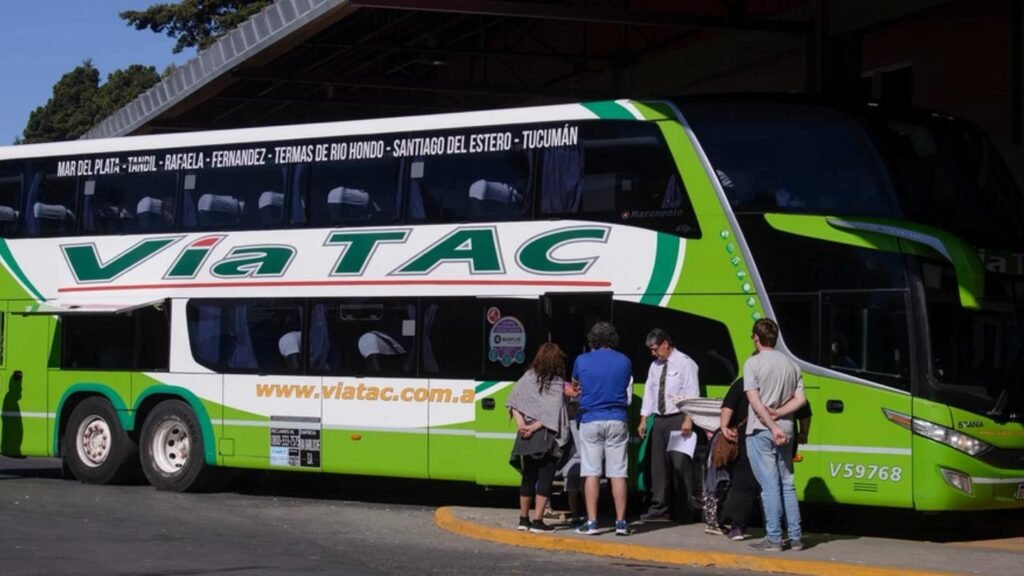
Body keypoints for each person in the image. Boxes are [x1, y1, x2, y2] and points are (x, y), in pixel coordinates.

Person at [743, 318, 807, 552]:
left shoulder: (753, 363)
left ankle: (773, 537)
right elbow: (801, 400)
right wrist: (780, 415)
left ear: (756, 338)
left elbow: (754, 400)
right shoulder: (792, 365)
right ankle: (796, 537)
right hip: (787, 428)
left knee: (769, 486)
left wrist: (772, 425)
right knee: (787, 484)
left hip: (762, 430)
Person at [571, 321, 633, 536]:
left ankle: (592, 522)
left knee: (591, 472)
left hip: (591, 418)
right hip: (617, 418)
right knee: (618, 472)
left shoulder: (582, 360)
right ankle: (621, 522)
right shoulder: (625, 361)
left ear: (593, 340)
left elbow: (576, 387)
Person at [506, 342, 572, 533]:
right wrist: (534, 427)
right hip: (545, 436)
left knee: (527, 476)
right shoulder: (557, 382)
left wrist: (522, 427)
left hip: (525, 437)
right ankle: (538, 521)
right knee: (545, 478)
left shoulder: (527, 377)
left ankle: (523, 519)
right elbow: (553, 413)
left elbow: (513, 403)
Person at [638, 328, 700, 522]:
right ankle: (659, 507)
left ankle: (684, 509)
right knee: (658, 466)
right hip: (659, 419)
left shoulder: (685, 363)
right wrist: (643, 419)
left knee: (680, 465)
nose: (653, 353)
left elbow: (692, 392)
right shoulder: (655, 366)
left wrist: (688, 419)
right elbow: (650, 393)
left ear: (666, 343)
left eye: (655, 348)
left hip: (678, 418)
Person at [717, 378, 760, 541]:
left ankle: (737, 528)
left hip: (747, 438)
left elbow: (728, 405)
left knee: (744, 484)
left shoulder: (744, 382)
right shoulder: (785, 379)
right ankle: (777, 531)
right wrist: (803, 434)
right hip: (778, 438)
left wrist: (724, 427)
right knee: (776, 487)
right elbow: (804, 409)